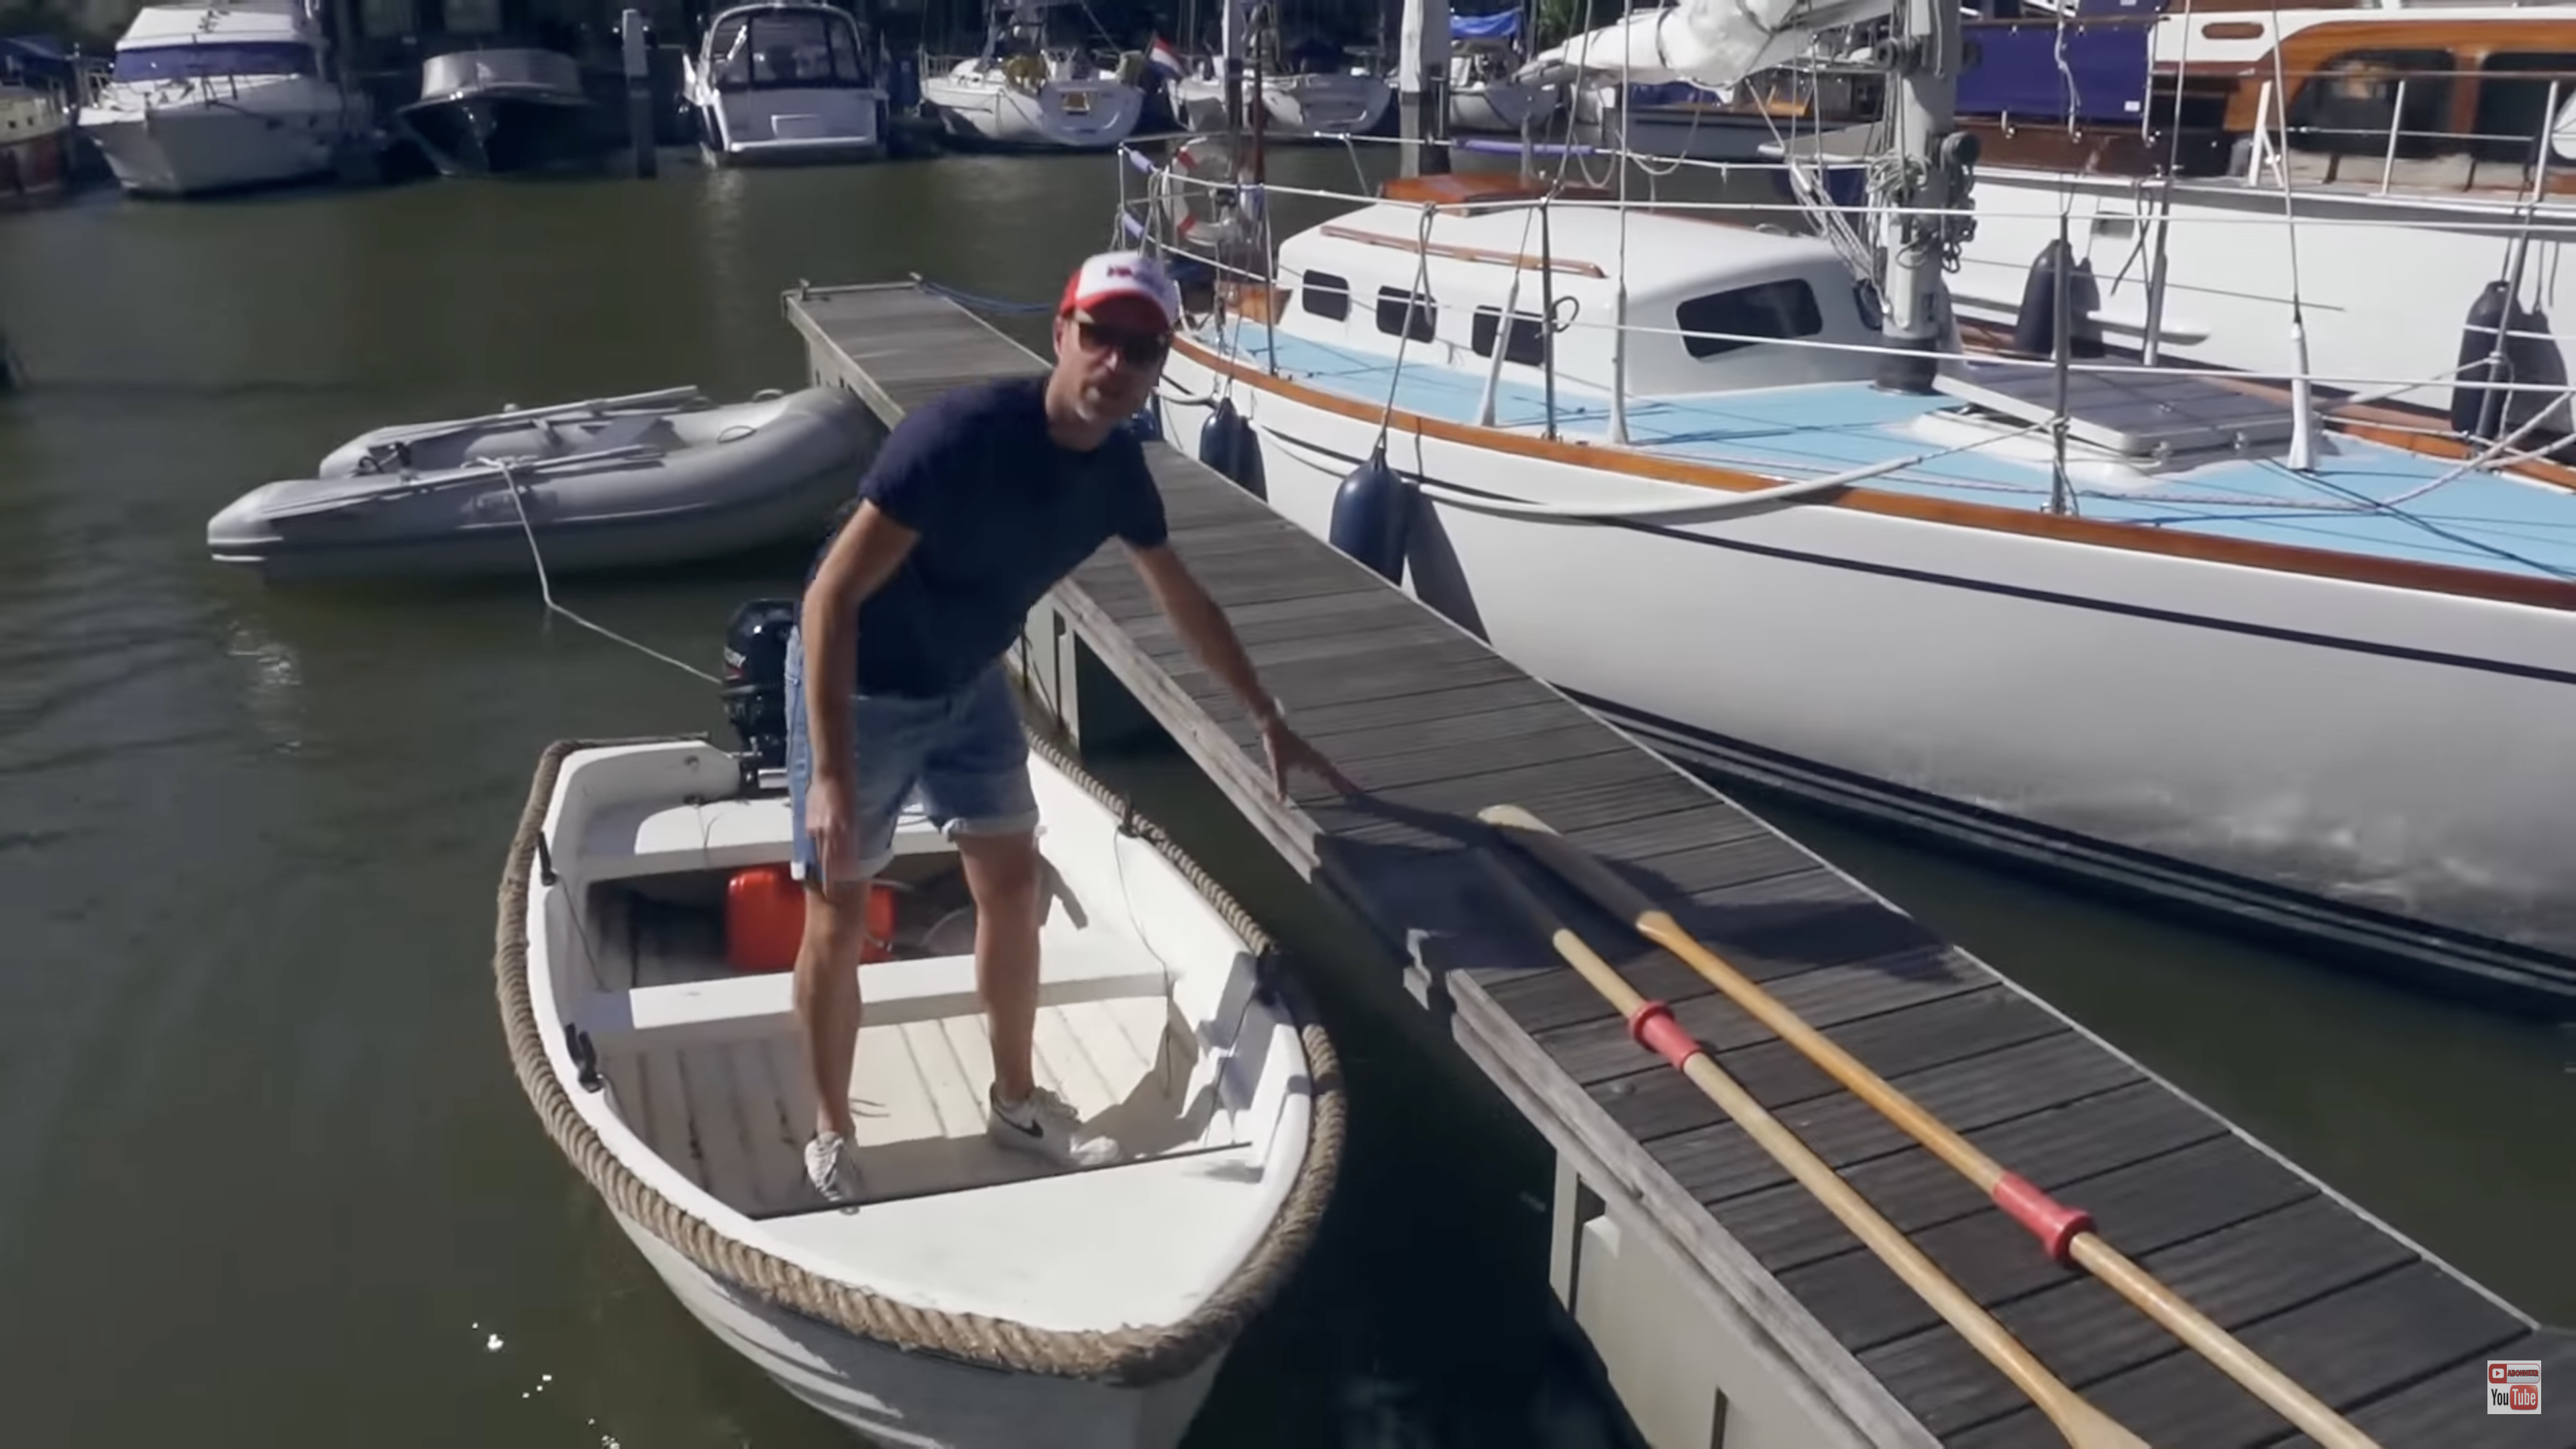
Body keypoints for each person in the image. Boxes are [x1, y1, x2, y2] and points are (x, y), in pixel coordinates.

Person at [784, 250, 1359, 1203]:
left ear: (1160, 366)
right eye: (1101, 336)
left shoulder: (1121, 472)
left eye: (1143, 348)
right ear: (1061, 332)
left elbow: (1183, 599)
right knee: (839, 909)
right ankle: (832, 1130)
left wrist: (1266, 712)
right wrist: (832, 776)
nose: (1117, 365)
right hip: (865, 686)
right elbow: (831, 601)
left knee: (1013, 885)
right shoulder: (956, 437)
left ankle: (1014, 1100)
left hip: (970, 681)